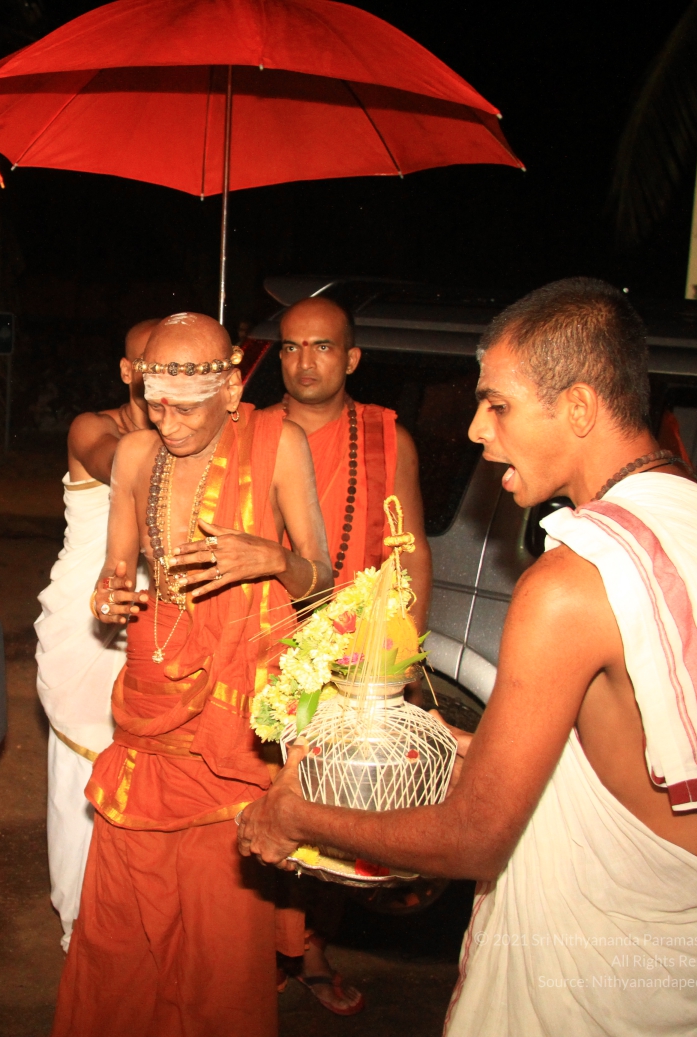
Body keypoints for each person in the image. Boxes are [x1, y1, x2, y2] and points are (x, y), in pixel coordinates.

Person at [237, 277, 697, 1035]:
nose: (477, 431)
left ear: (579, 407)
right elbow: (646, 745)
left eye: (498, 406)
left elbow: (474, 838)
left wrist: (293, 814)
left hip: (629, 970)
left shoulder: (568, 584)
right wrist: (478, 747)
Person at [52, 313, 330, 1037]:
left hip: (237, 710)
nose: (167, 422)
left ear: (231, 391)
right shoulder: (135, 453)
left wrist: (273, 560)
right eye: (156, 404)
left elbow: (323, 581)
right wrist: (109, 597)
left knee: (217, 924)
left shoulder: (279, 444)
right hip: (151, 695)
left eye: (185, 407)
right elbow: (118, 572)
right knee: (124, 915)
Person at [258, 294, 430, 1014]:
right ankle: (253, 951)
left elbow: (410, 552)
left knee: (328, 807)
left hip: (351, 652)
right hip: (260, 644)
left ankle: (310, 949)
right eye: (291, 346)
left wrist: (400, 658)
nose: (304, 361)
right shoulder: (250, 432)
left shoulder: (387, 438)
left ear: (351, 358)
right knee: (259, 802)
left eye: (322, 346)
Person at [33, 317, 155, 952]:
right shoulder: (93, 428)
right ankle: (80, 930)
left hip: (160, 626)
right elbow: (128, 465)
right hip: (89, 630)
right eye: (153, 364)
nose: (167, 378)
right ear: (128, 370)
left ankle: (133, 922)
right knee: (84, 776)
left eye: (184, 367)